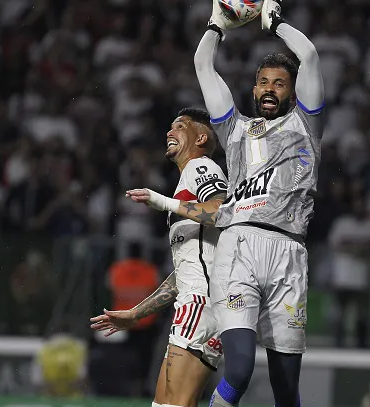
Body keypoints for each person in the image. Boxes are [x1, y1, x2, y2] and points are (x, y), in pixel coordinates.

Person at [194, 0, 325, 405]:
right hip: (241, 246)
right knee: (239, 369)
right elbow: (202, 66)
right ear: (253, 88)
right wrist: (217, 25)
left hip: (290, 253)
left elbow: (310, 55)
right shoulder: (235, 128)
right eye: (263, 81)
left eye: (279, 83)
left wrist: (275, 22)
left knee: (286, 388)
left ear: (292, 90)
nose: (269, 88)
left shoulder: (306, 124)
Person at [90, 108, 228, 407]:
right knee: (163, 405)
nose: (170, 132)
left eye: (180, 126)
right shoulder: (186, 183)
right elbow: (185, 270)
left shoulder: (201, 168)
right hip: (194, 302)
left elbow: (221, 212)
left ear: (201, 137)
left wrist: (163, 202)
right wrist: (136, 313)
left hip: (201, 303)